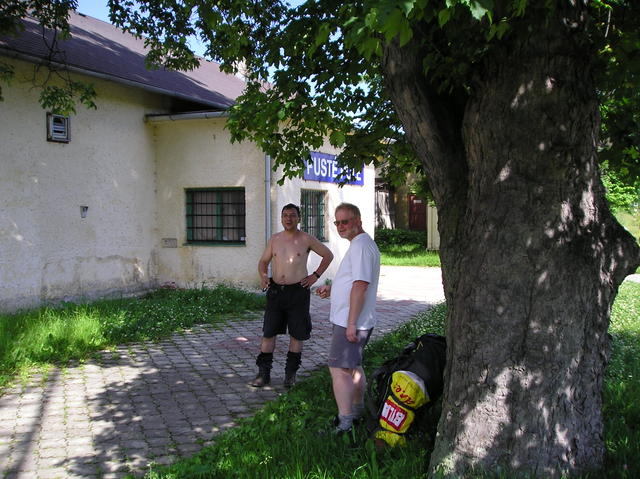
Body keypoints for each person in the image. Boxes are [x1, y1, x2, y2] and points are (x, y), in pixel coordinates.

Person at [251, 203, 334, 389]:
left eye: (292, 215)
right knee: (269, 333)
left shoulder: (306, 239)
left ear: (299, 218)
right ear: (281, 218)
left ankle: (290, 375)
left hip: (298, 292)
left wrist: (315, 276)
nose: (288, 218)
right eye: (285, 215)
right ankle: (263, 374)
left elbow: (328, 255)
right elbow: (263, 261)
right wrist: (263, 276)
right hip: (275, 292)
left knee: (297, 334)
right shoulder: (274, 239)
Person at [316, 203, 380, 433]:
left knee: (339, 369)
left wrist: (351, 323)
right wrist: (333, 289)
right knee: (353, 367)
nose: (341, 226)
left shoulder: (361, 246)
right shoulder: (360, 244)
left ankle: (345, 424)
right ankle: (358, 412)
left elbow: (361, 285)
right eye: (337, 222)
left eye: (346, 221)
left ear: (358, 221)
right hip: (352, 319)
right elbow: (354, 280)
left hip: (351, 322)